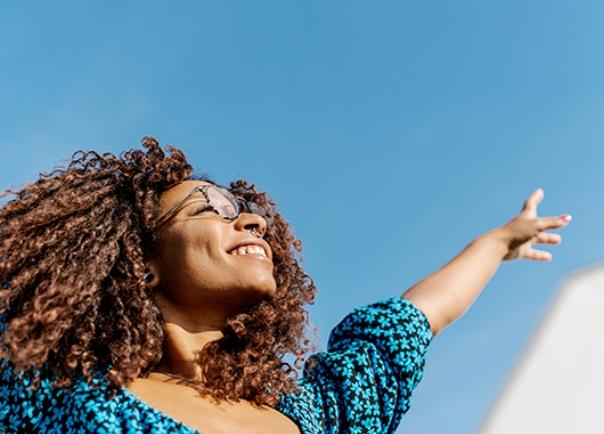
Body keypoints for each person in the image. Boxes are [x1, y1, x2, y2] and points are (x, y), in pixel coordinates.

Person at [0, 137, 571, 434]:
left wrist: (497, 243)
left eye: (246, 211)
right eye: (210, 210)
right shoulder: (57, 397)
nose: (253, 222)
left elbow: (413, 319)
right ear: (141, 262)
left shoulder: (321, 415)